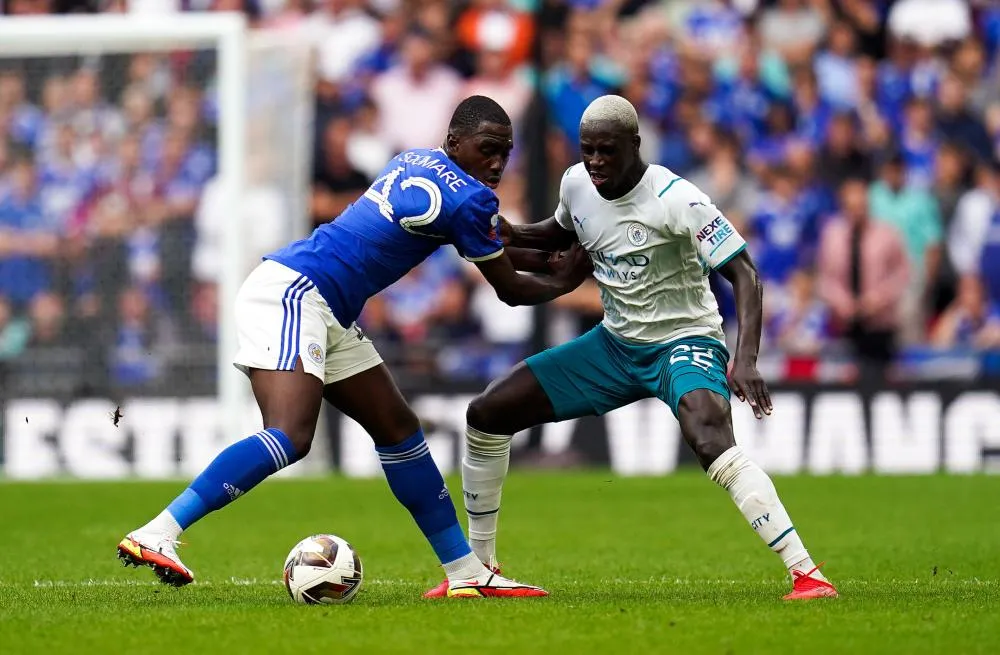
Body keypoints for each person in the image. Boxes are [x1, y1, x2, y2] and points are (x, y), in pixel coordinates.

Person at [117, 96, 591, 598]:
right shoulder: (468, 199)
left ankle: (465, 573)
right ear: (456, 143)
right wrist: (570, 277)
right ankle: (159, 532)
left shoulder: (416, 160)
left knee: (399, 430)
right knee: (291, 435)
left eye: (506, 152)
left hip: (324, 306)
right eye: (488, 149)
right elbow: (510, 287)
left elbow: (503, 239)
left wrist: (568, 251)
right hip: (296, 294)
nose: (497, 163)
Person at [425, 95, 838, 601]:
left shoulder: (677, 197)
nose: (594, 162)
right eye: (587, 151)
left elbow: (744, 273)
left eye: (606, 151)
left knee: (708, 436)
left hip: (682, 341)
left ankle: (807, 574)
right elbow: (557, 236)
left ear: (634, 145)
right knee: (488, 412)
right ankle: (480, 569)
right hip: (615, 345)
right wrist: (507, 234)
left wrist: (745, 357)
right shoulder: (577, 183)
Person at [817, 177, 910, 382]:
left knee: (882, 381)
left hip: (880, 326)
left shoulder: (887, 234)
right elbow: (824, 279)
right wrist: (841, 301)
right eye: (852, 207)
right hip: (844, 325)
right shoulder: (832, 235)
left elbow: (902, 274)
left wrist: (878, 298)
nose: (857, 212)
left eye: (861, 206)